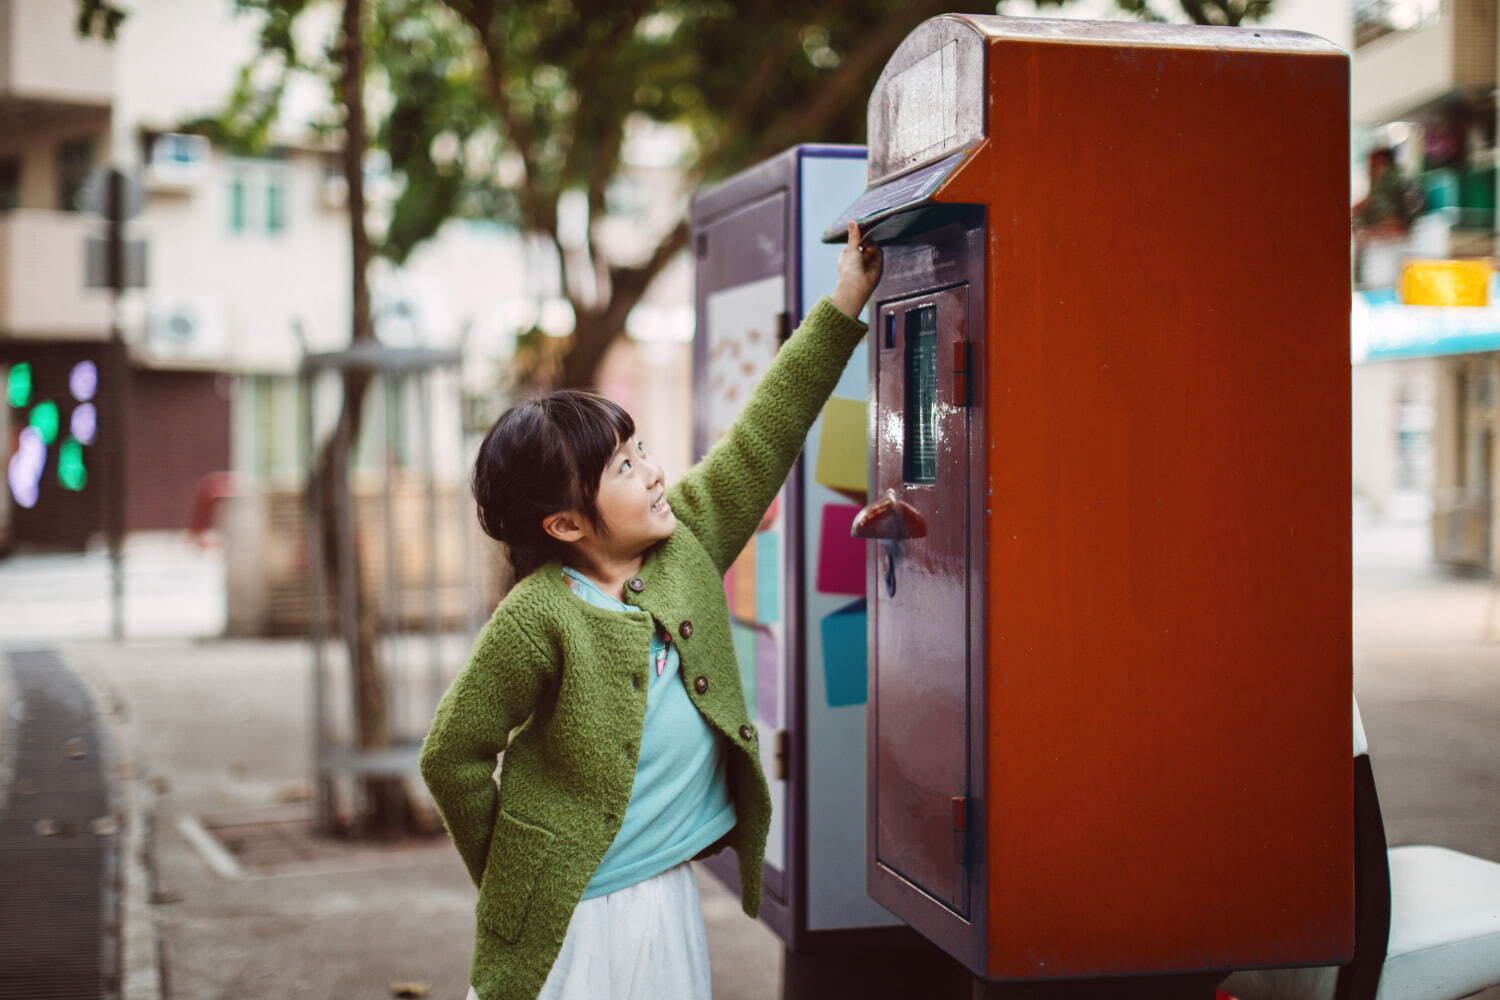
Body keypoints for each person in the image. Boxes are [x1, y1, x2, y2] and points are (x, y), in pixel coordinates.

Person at [421, 220, 882, 1000]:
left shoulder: (687, 542)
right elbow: (452, 754)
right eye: (624, 469)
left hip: (661, 893)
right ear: (565, 525)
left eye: (640, 453)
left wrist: (845, 300)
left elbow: (763, 436)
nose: (653, 473)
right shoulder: (539, 617)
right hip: (571, 913)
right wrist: (511, 870)